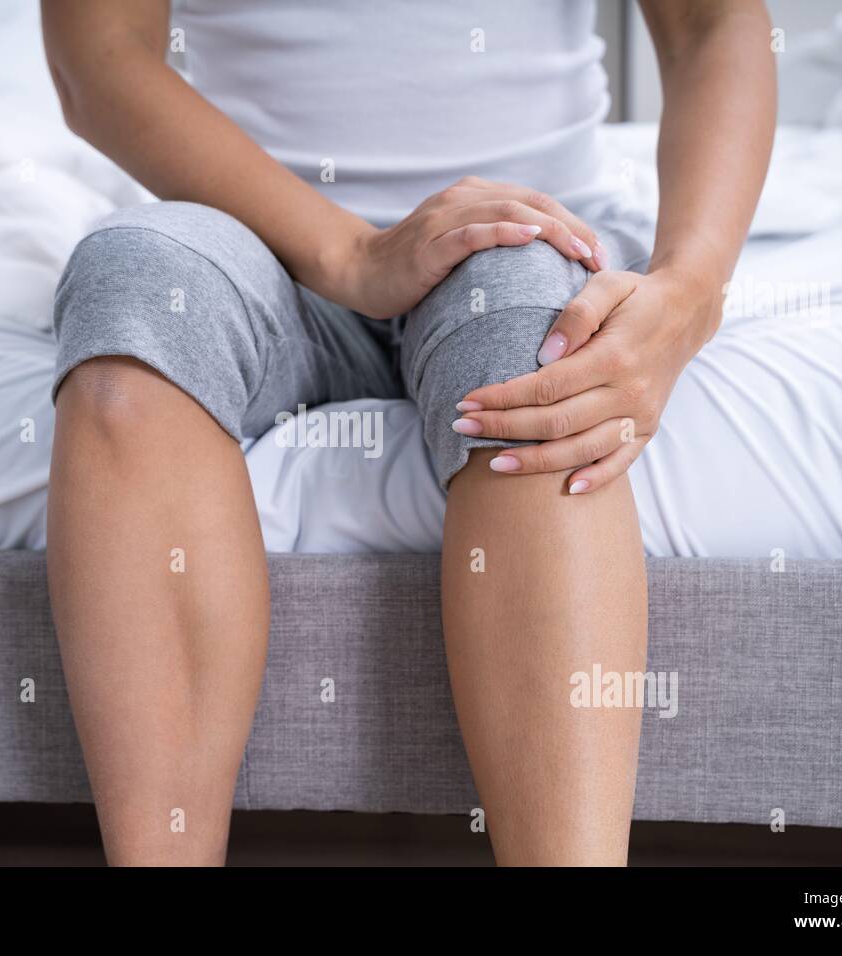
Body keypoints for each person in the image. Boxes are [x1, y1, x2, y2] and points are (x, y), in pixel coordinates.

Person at [40, 0, 775, 866]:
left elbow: (713, 24)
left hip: (526, 232)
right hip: (251, 234)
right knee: (131, 304)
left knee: (543, 363)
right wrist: (353, 254)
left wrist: (691, 288)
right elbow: (99, 56)